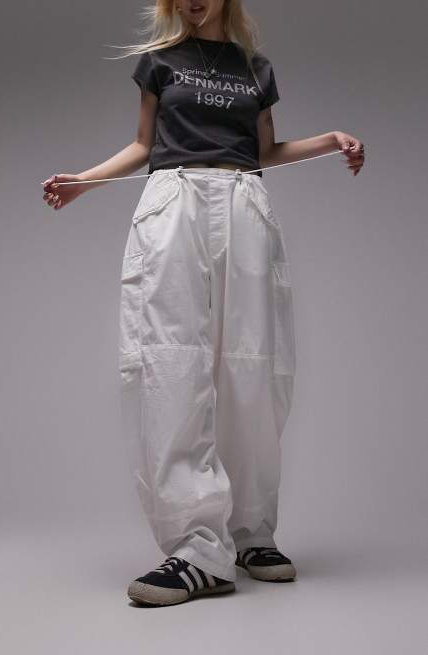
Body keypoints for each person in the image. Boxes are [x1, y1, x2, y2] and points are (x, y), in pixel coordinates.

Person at [42, 0, 365, 607]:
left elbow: (263, 151)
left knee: (253, 368)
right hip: (175, 201)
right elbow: (144, 144)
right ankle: (196, 548)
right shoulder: (159, 62)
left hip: (243, 200)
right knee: (172, 363)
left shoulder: (255, 67)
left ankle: (252, 533)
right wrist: (84, 181)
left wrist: (330, 139)